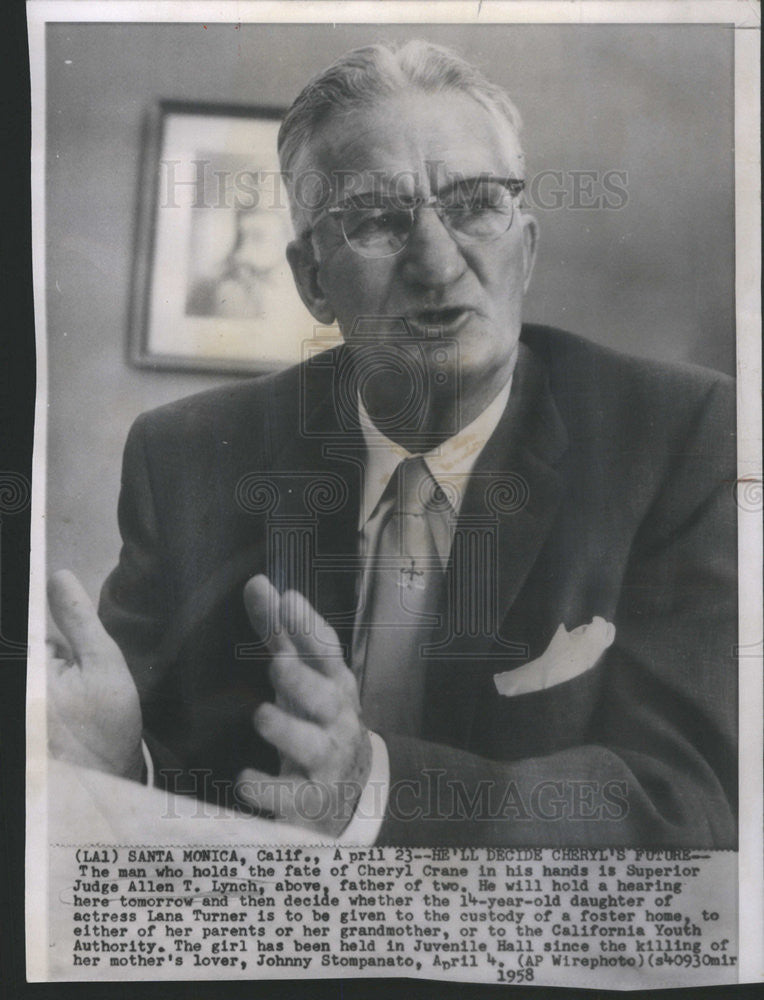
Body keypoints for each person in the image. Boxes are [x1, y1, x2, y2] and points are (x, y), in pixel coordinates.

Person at [47, 40, 737, 847]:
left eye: (477, 203)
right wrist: (114, 766)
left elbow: (690, 801)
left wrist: (374, 790)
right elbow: (157, 762)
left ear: (527, 247)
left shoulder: (682, 438)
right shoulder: (190, 457)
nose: (438, 263)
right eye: (377, 219)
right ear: (312, 279)